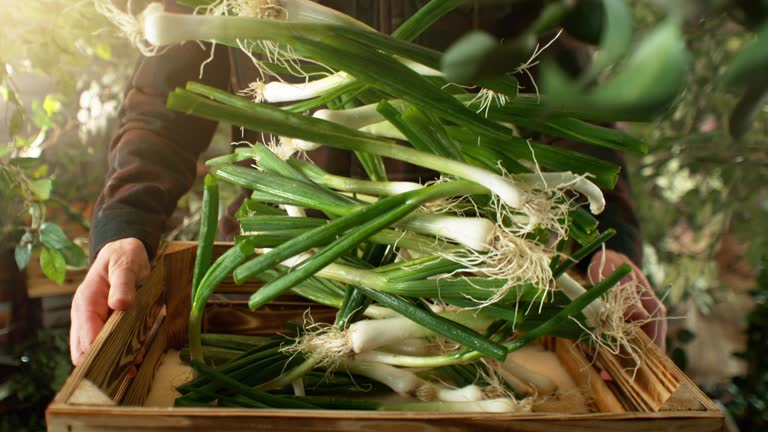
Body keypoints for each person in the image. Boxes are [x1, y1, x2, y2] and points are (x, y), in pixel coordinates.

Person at [70, 1, 666, 365]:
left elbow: (572, 105)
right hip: (277, 274)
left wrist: (606, 242)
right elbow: (163, 108)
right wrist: (124, 228)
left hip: (473, 292)